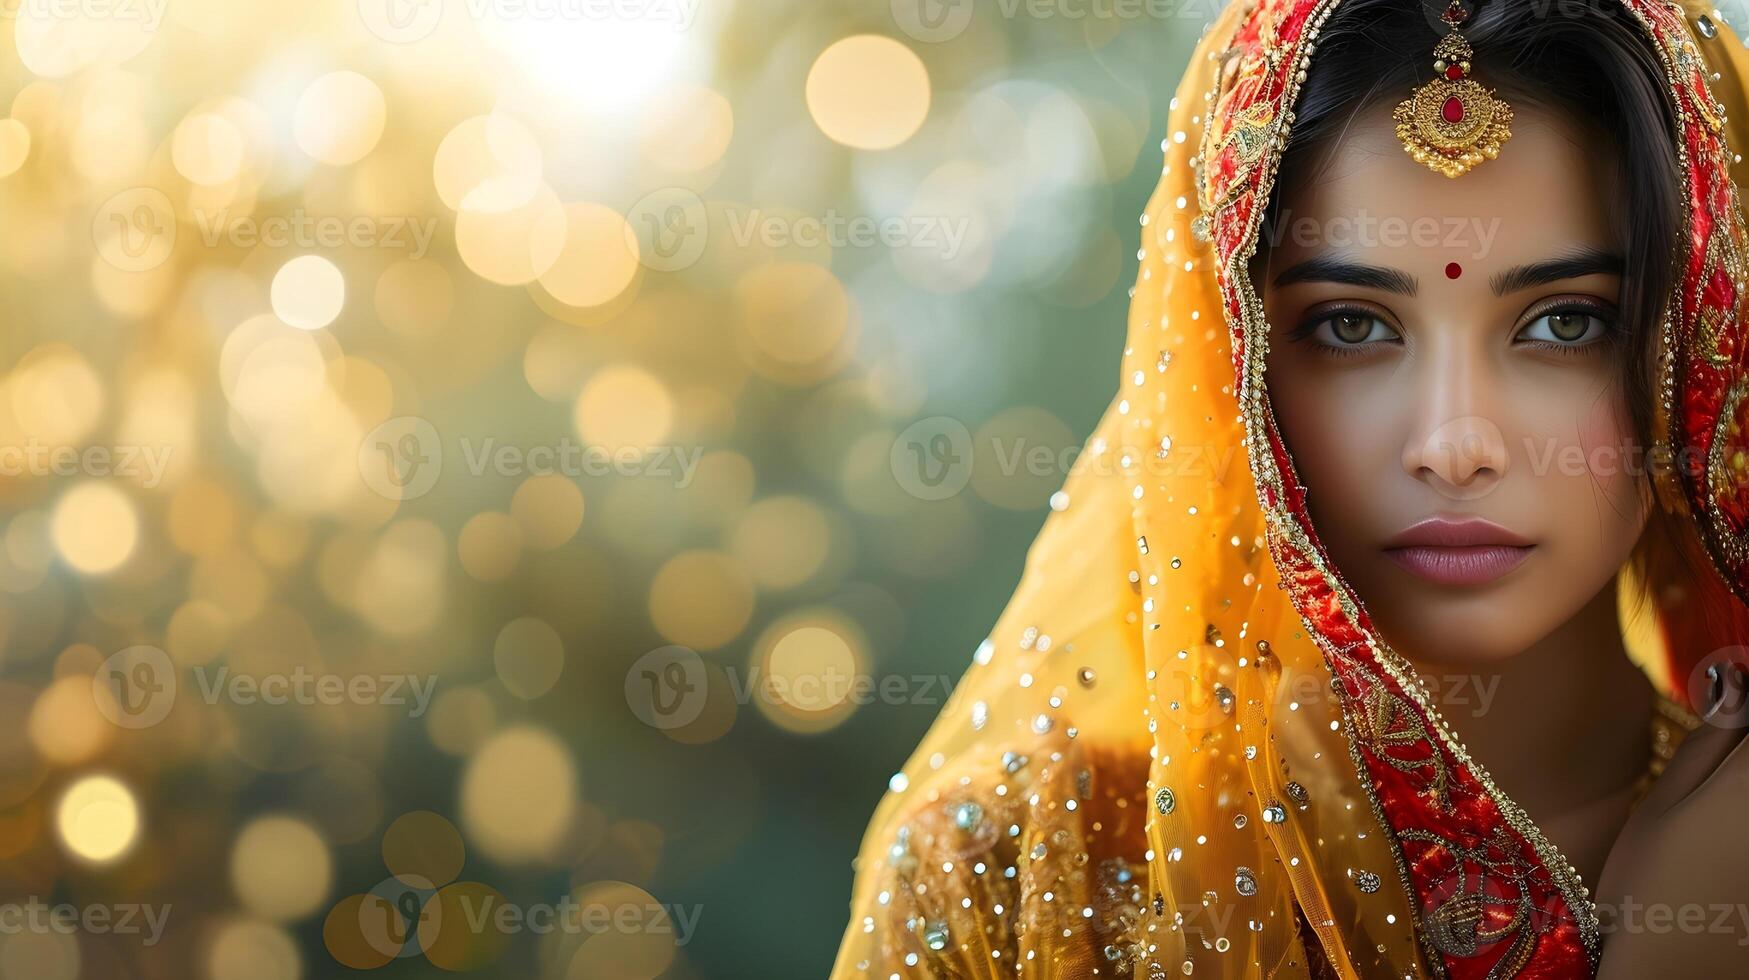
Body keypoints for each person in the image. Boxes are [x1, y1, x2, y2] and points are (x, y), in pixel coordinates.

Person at [830, 0, 1749, 975]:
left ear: (1706, 343)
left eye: (1566, 322)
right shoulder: (1015, 876)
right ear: (1231, 358)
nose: (1452, 446)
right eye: (1352, 326)